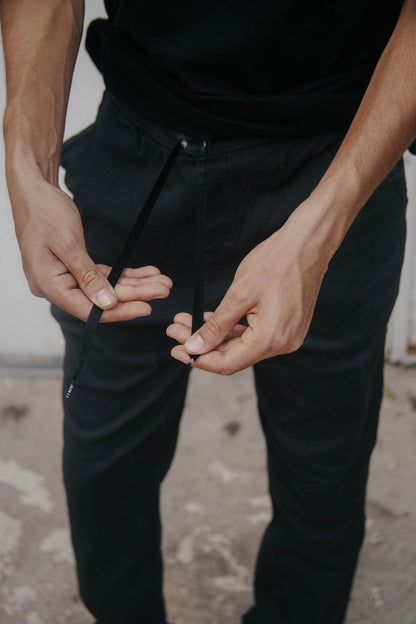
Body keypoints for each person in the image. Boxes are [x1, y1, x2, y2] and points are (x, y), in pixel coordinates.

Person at [1, 1, 415, 622]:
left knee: (323, 468)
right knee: (104, 470)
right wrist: (26, 169)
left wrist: (320, 228)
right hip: (142, 144)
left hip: (339, 154)